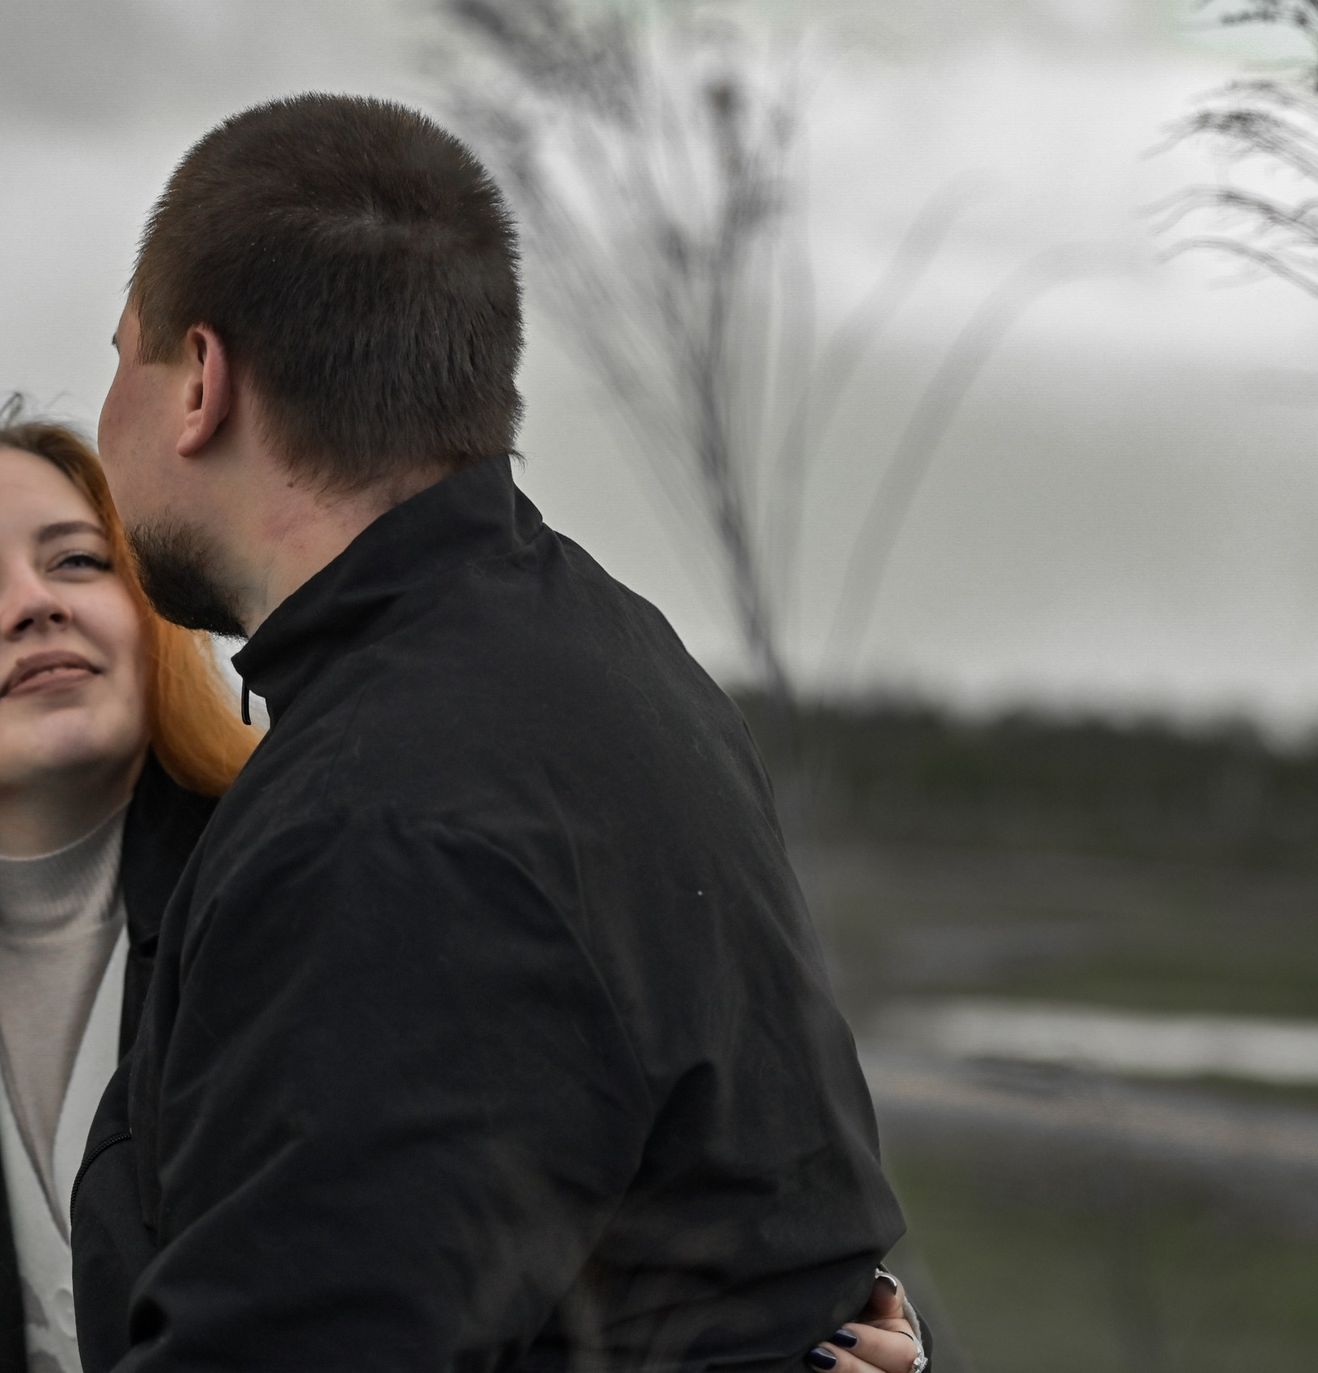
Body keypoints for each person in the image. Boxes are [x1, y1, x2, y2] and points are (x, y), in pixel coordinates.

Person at [0, 399, 925, 1373]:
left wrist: (826, 1335)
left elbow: (667, 1171)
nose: (35, 601)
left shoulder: (340, 882)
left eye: (80, 559)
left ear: (154, 620)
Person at [82, 92, 922, 1373]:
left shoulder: (378, 824)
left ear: (200, 381)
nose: (106, 422)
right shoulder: (612, 654)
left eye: (119, 355)